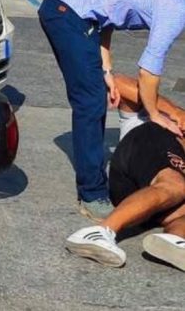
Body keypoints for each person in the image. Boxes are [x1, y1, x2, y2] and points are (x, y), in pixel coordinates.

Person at [39, 0, 185, 222]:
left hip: (72, 10)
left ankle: (92, 185)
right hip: (66, 12)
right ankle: (91, 193)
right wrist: (155, 114)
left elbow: (106, 19)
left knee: (96, 90)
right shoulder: (176, 11)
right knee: (91, 101)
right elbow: (148, 71)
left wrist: (106, 69)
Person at [66, 74, 185, 271]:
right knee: (177, 185)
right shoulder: (161, 114)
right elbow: (118, 82)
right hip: (146, 144)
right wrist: (175, 111)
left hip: (140, 198)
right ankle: (99, 232)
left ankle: (174, 241)